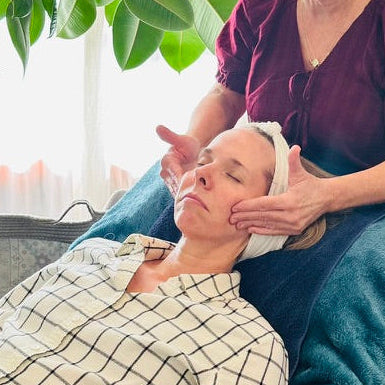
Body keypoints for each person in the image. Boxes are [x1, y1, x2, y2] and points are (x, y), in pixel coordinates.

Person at [0, 122, 326, 385]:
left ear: (269, 220)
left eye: (233, 175)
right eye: (203, 162)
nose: (200, 174)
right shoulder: (92, 253)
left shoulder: (246, 346)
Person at [158, 0, 385, 239]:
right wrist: (198, 143)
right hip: (259, 186)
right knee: (167, 188)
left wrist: (327, 196)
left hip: (362, 202)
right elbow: (225, 95)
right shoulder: (259, 7)